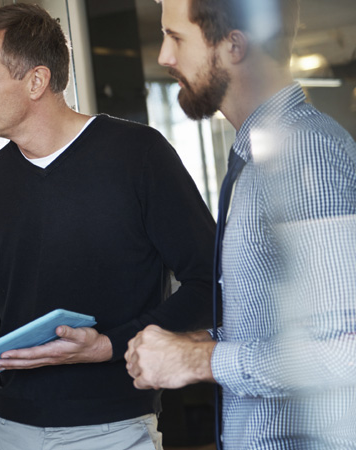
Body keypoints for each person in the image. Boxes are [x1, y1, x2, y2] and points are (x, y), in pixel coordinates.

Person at [0, 4, 216, 449]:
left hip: (113, 429)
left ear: (36, 81)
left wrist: (108, 346)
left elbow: (210, 282)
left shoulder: (138, 156)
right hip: (9, 428)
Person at [125, 0, 356, 447]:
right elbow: (276, 329)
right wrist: (187, 344)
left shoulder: (305, 155)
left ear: (233, 45)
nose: (163, 58)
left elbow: (346, 351)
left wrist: (199, 361)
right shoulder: (262, 157)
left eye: (176, 38)